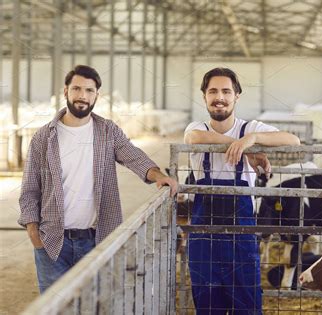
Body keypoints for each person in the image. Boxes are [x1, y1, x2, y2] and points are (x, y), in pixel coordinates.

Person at [18, 65, 177, 293]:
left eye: (89, 91)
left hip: (97, 240)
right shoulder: (44, 137)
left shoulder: (107, 131)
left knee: (96, 305)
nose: (83, 96)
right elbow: (30, 188)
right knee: (55, 308)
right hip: (52, 241)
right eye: (77, 89)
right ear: (66, 91)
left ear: (96, 95)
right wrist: (34, 233)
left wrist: (159, 176)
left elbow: (132, 156)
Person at [184, 67, 300, 314]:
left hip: (242, 240)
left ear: (237, 95)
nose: (220, 97)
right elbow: (194, 138)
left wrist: (252, 138)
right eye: (213, 91)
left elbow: (293, 140)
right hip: (204, 240)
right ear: (204, 95)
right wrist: (245, 150)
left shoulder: (249, 128)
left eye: (226, 91)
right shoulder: (198, 127)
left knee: (247, 305)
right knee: (207, 306)